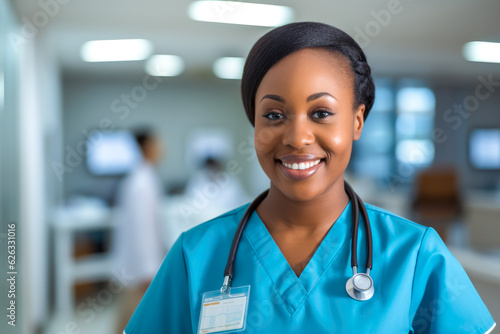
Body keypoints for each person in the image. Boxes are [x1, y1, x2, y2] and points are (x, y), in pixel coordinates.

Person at [123, 22, 495, 333]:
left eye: (320, 113)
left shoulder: (415, 256)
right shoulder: (195, 255)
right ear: (254, 123)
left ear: (357, 121)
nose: (297, 138)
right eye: (273, 115)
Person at [112, 129, 166, 334]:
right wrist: (147, 270)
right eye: (158, 144)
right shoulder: (141, 183)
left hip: (137, 268)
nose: (162, 149)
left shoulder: (144, 177)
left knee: (129, 321)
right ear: (147, 147)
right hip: (138, 271)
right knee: (131, 322)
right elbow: (141, 230)